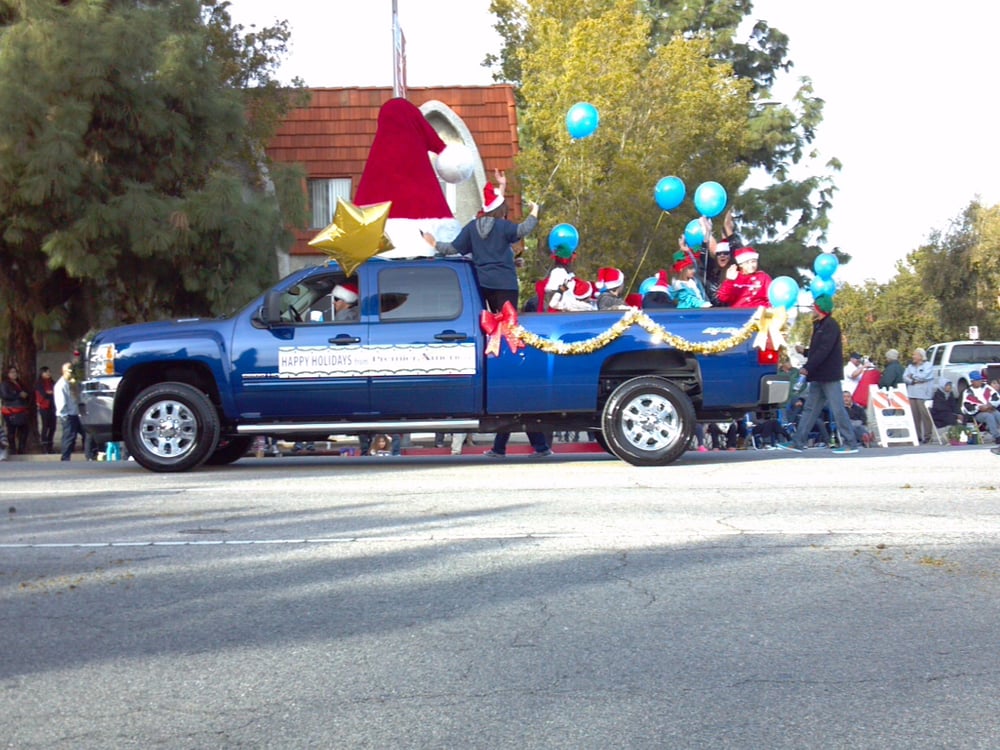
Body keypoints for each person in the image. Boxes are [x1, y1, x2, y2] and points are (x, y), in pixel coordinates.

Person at [424, 175, 539, 313]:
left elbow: (452, 248)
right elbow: (524, 229)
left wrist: (435, 243)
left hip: (483, 283)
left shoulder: (472, 228)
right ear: (502, 211)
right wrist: (535, 210)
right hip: (505, 283)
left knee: (488, 323)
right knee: (507, 325)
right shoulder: (503, 226)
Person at [776, 295, 860, 454]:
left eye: (814, 306)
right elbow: (818, 350)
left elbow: (824, 350)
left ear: (820, 308)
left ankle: (851, 443)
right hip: (818, 375)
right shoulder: (819, 325)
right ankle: (798, 441)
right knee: (810, 409)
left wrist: (807, 367)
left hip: (829, 375)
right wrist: (806, 352)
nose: (812, 309)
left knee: (837, 409)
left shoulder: (830, 325)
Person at [902, 347, 935, 443]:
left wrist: (912, 376)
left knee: (925, 415)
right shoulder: (910, 366)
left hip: (923, 394)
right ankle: (917, 435)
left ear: (921, 356)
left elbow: (924, 377)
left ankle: (928, 436)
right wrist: (912, 380)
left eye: (915, 355)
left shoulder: (928, 365)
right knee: (915, 416)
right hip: (912, 393)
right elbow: (904, 377)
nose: (913, 356)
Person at [960, 370, 1000, 442]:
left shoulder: (987, 387)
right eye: (977, 380)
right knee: (989, 416)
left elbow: (996, 397)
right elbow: (966, 406)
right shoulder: (968, 392)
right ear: (972, 381)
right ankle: (997, 437)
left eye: (980, 379)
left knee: (997, 414)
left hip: (990, 408)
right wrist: (979, 408)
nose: (979, 381)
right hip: (978, 413)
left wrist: (990, 404)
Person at [54, 362, 82, 461]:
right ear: (64, 371)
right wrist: (64, 414)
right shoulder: (61, 385)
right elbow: (61, 401)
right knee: (69, 436)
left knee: (85, 433)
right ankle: (65, 457)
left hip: (75, 413)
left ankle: (91, 454)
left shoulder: (70, 383)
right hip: (67, 414)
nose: (71, 374)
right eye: (69, 372)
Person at [1, 365, 30, 455]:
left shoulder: (19, 383)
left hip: (22, 410)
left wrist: (25, 395)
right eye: (12, 372)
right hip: (11, 410)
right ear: (7, 374)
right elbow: (5, 396)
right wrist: (18, 395)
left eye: (15, 372)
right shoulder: (5, 384)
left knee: (24, 430)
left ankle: (21, 449)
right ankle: (12, 449)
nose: (14, 374)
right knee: (11, 431)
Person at [35, 366, 56, 454]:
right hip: (44, 407)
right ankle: (44, 446)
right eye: (46, 372)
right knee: (45, 426)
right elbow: (43, 394)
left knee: (53, 427)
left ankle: (50, 445)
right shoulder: (39, 383)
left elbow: (54, 392)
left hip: (52, 406)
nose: (48, 373)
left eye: (49, 372)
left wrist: (50, 393)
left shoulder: (52, 382)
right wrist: (49, 393)